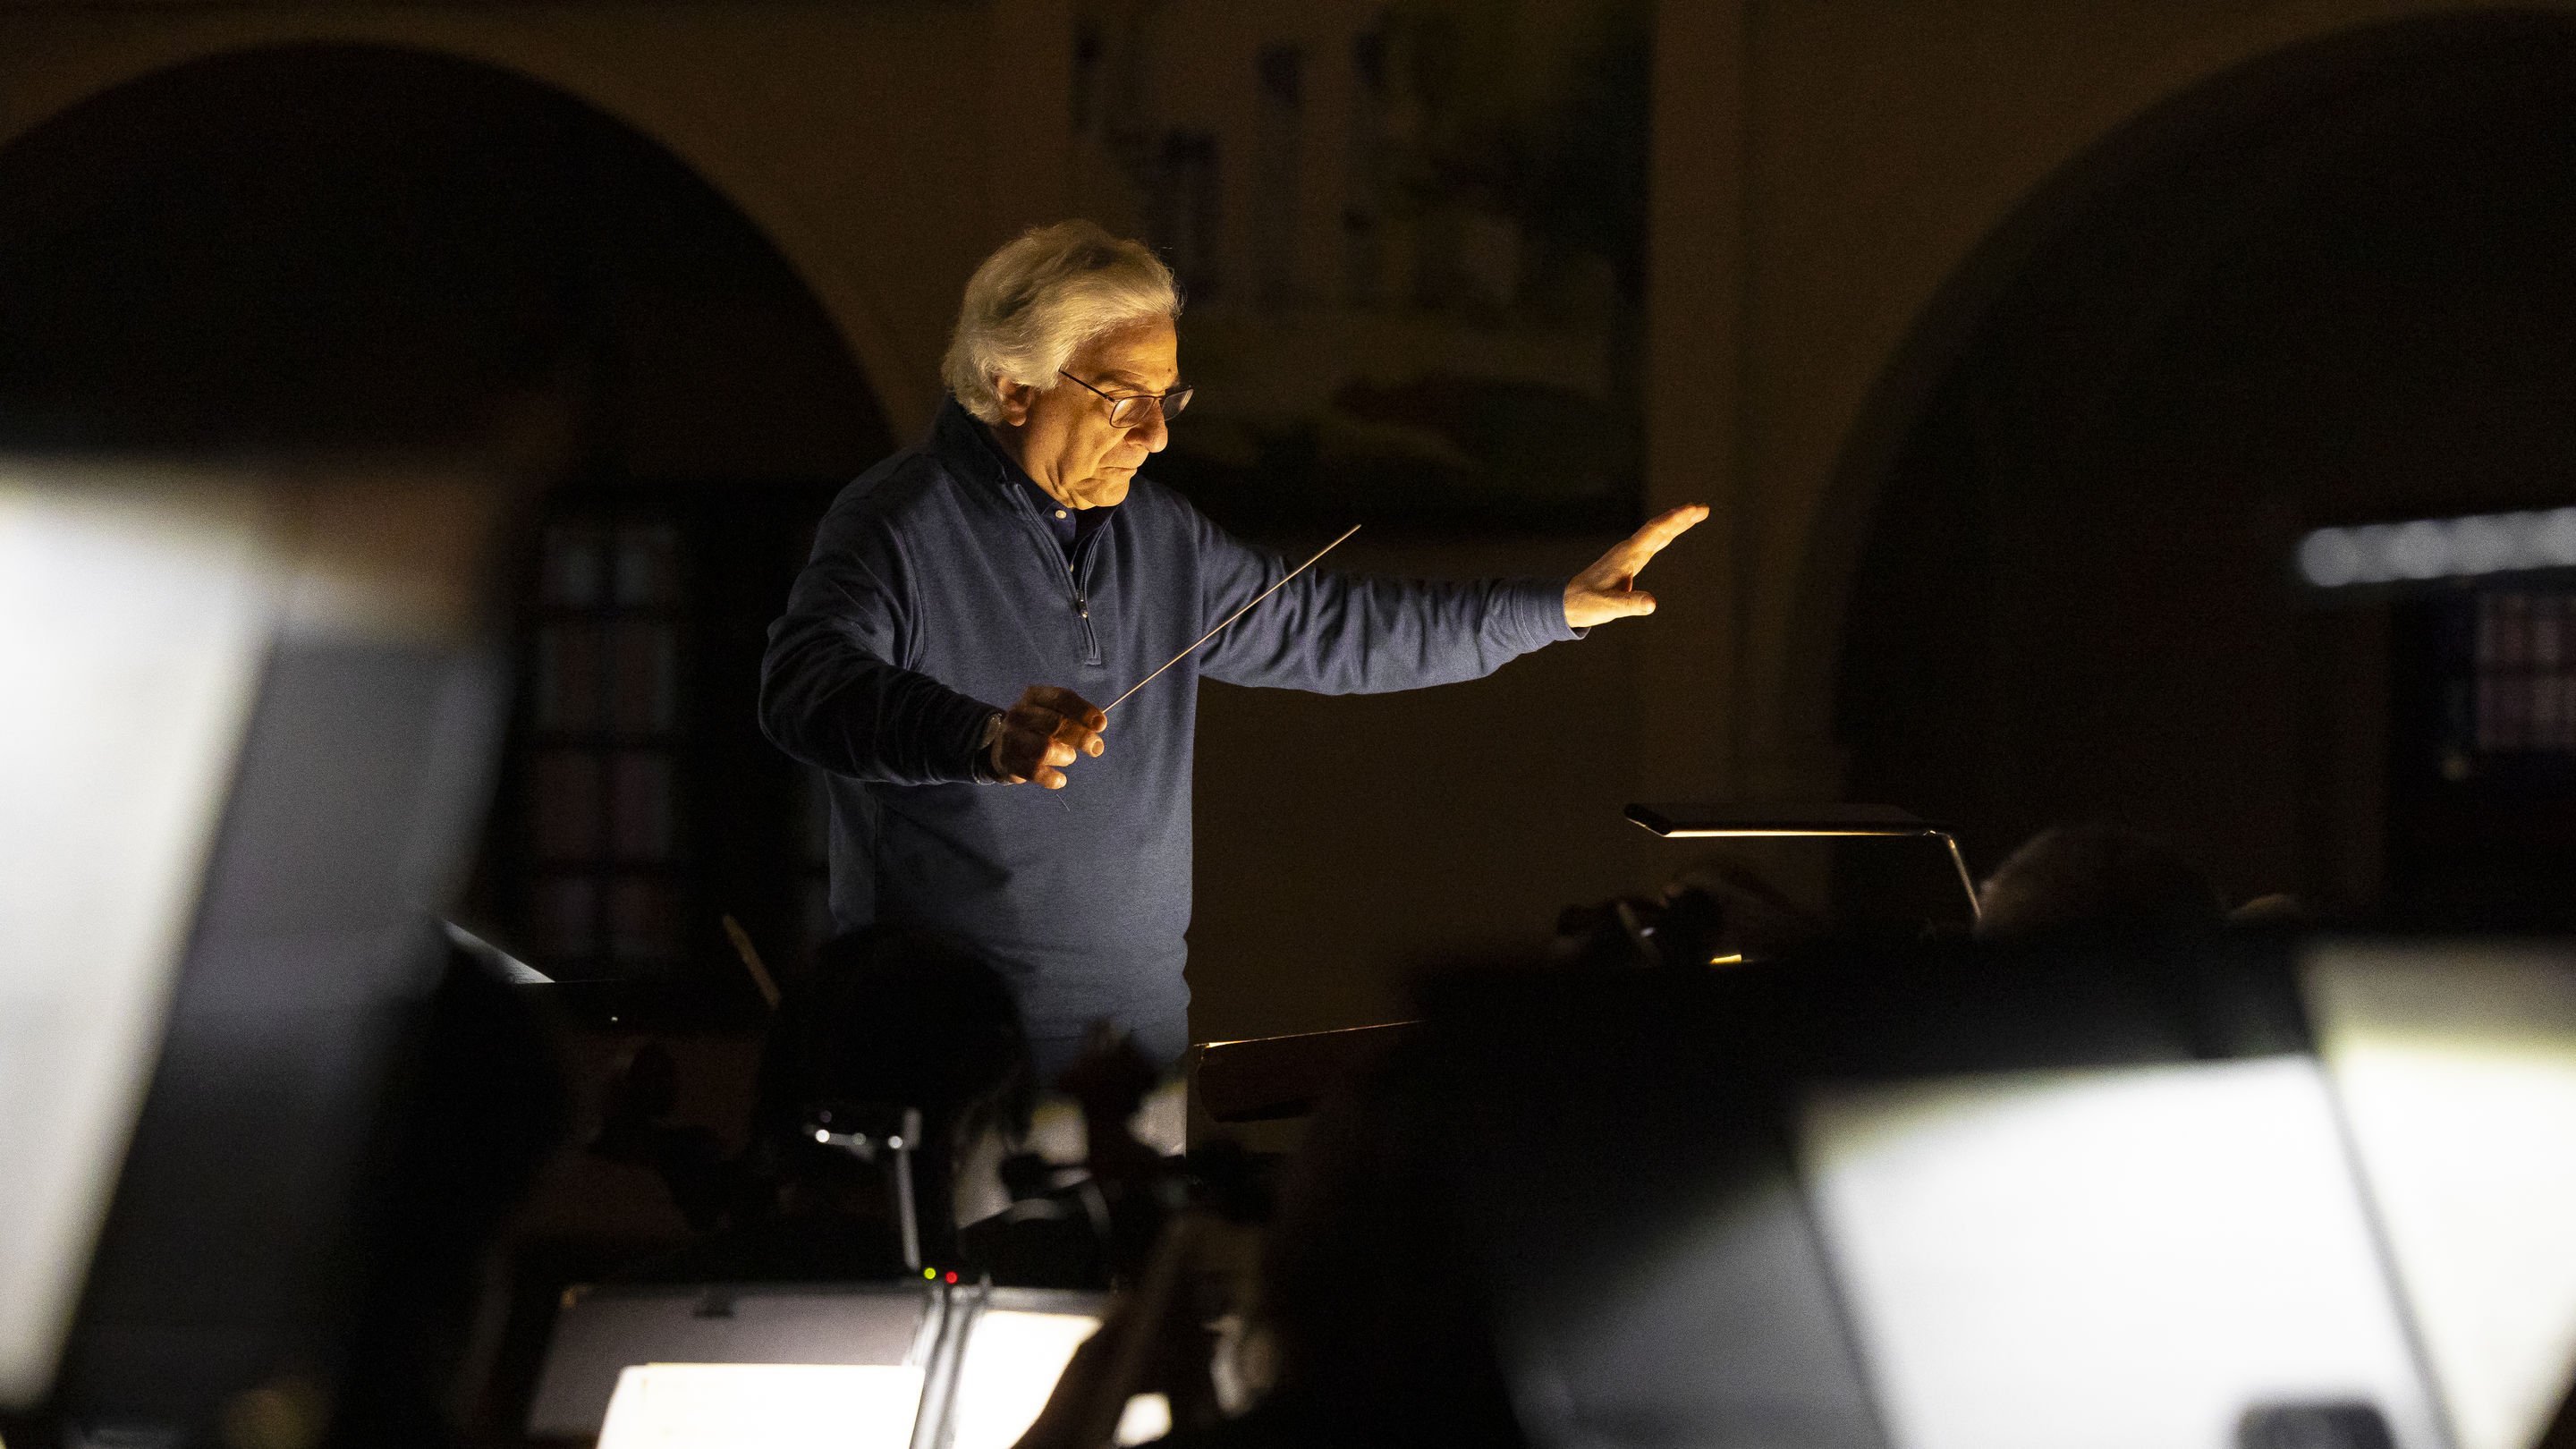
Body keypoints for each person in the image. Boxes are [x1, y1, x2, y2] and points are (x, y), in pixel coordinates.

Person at [760, 221, 1704, 1074]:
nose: (1156, 435)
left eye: (1168, 398)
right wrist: (980, 736)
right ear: (1014, 388)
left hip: (1139, 1050)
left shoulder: (1161, 535)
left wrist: (1555, 609)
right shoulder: (897, 523)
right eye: (1124, 399)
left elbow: (1338, 632)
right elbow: (804, 689)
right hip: (948, 1052)